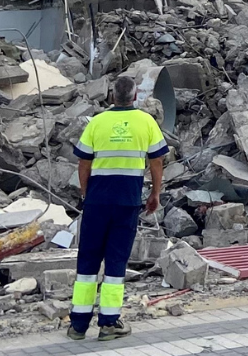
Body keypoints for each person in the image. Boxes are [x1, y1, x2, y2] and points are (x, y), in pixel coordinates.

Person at [69, 75, 168, 341]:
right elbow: (157, 161)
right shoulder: (146, 122)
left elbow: (83, 164)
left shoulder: (97, 122)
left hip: (97, 201)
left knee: (88, 259)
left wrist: (85, 193)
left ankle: (78, 325)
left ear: (112, 96)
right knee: (115, 261)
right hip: (127, 201)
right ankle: (109, 323)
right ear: (135, 97)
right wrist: (155, 193)